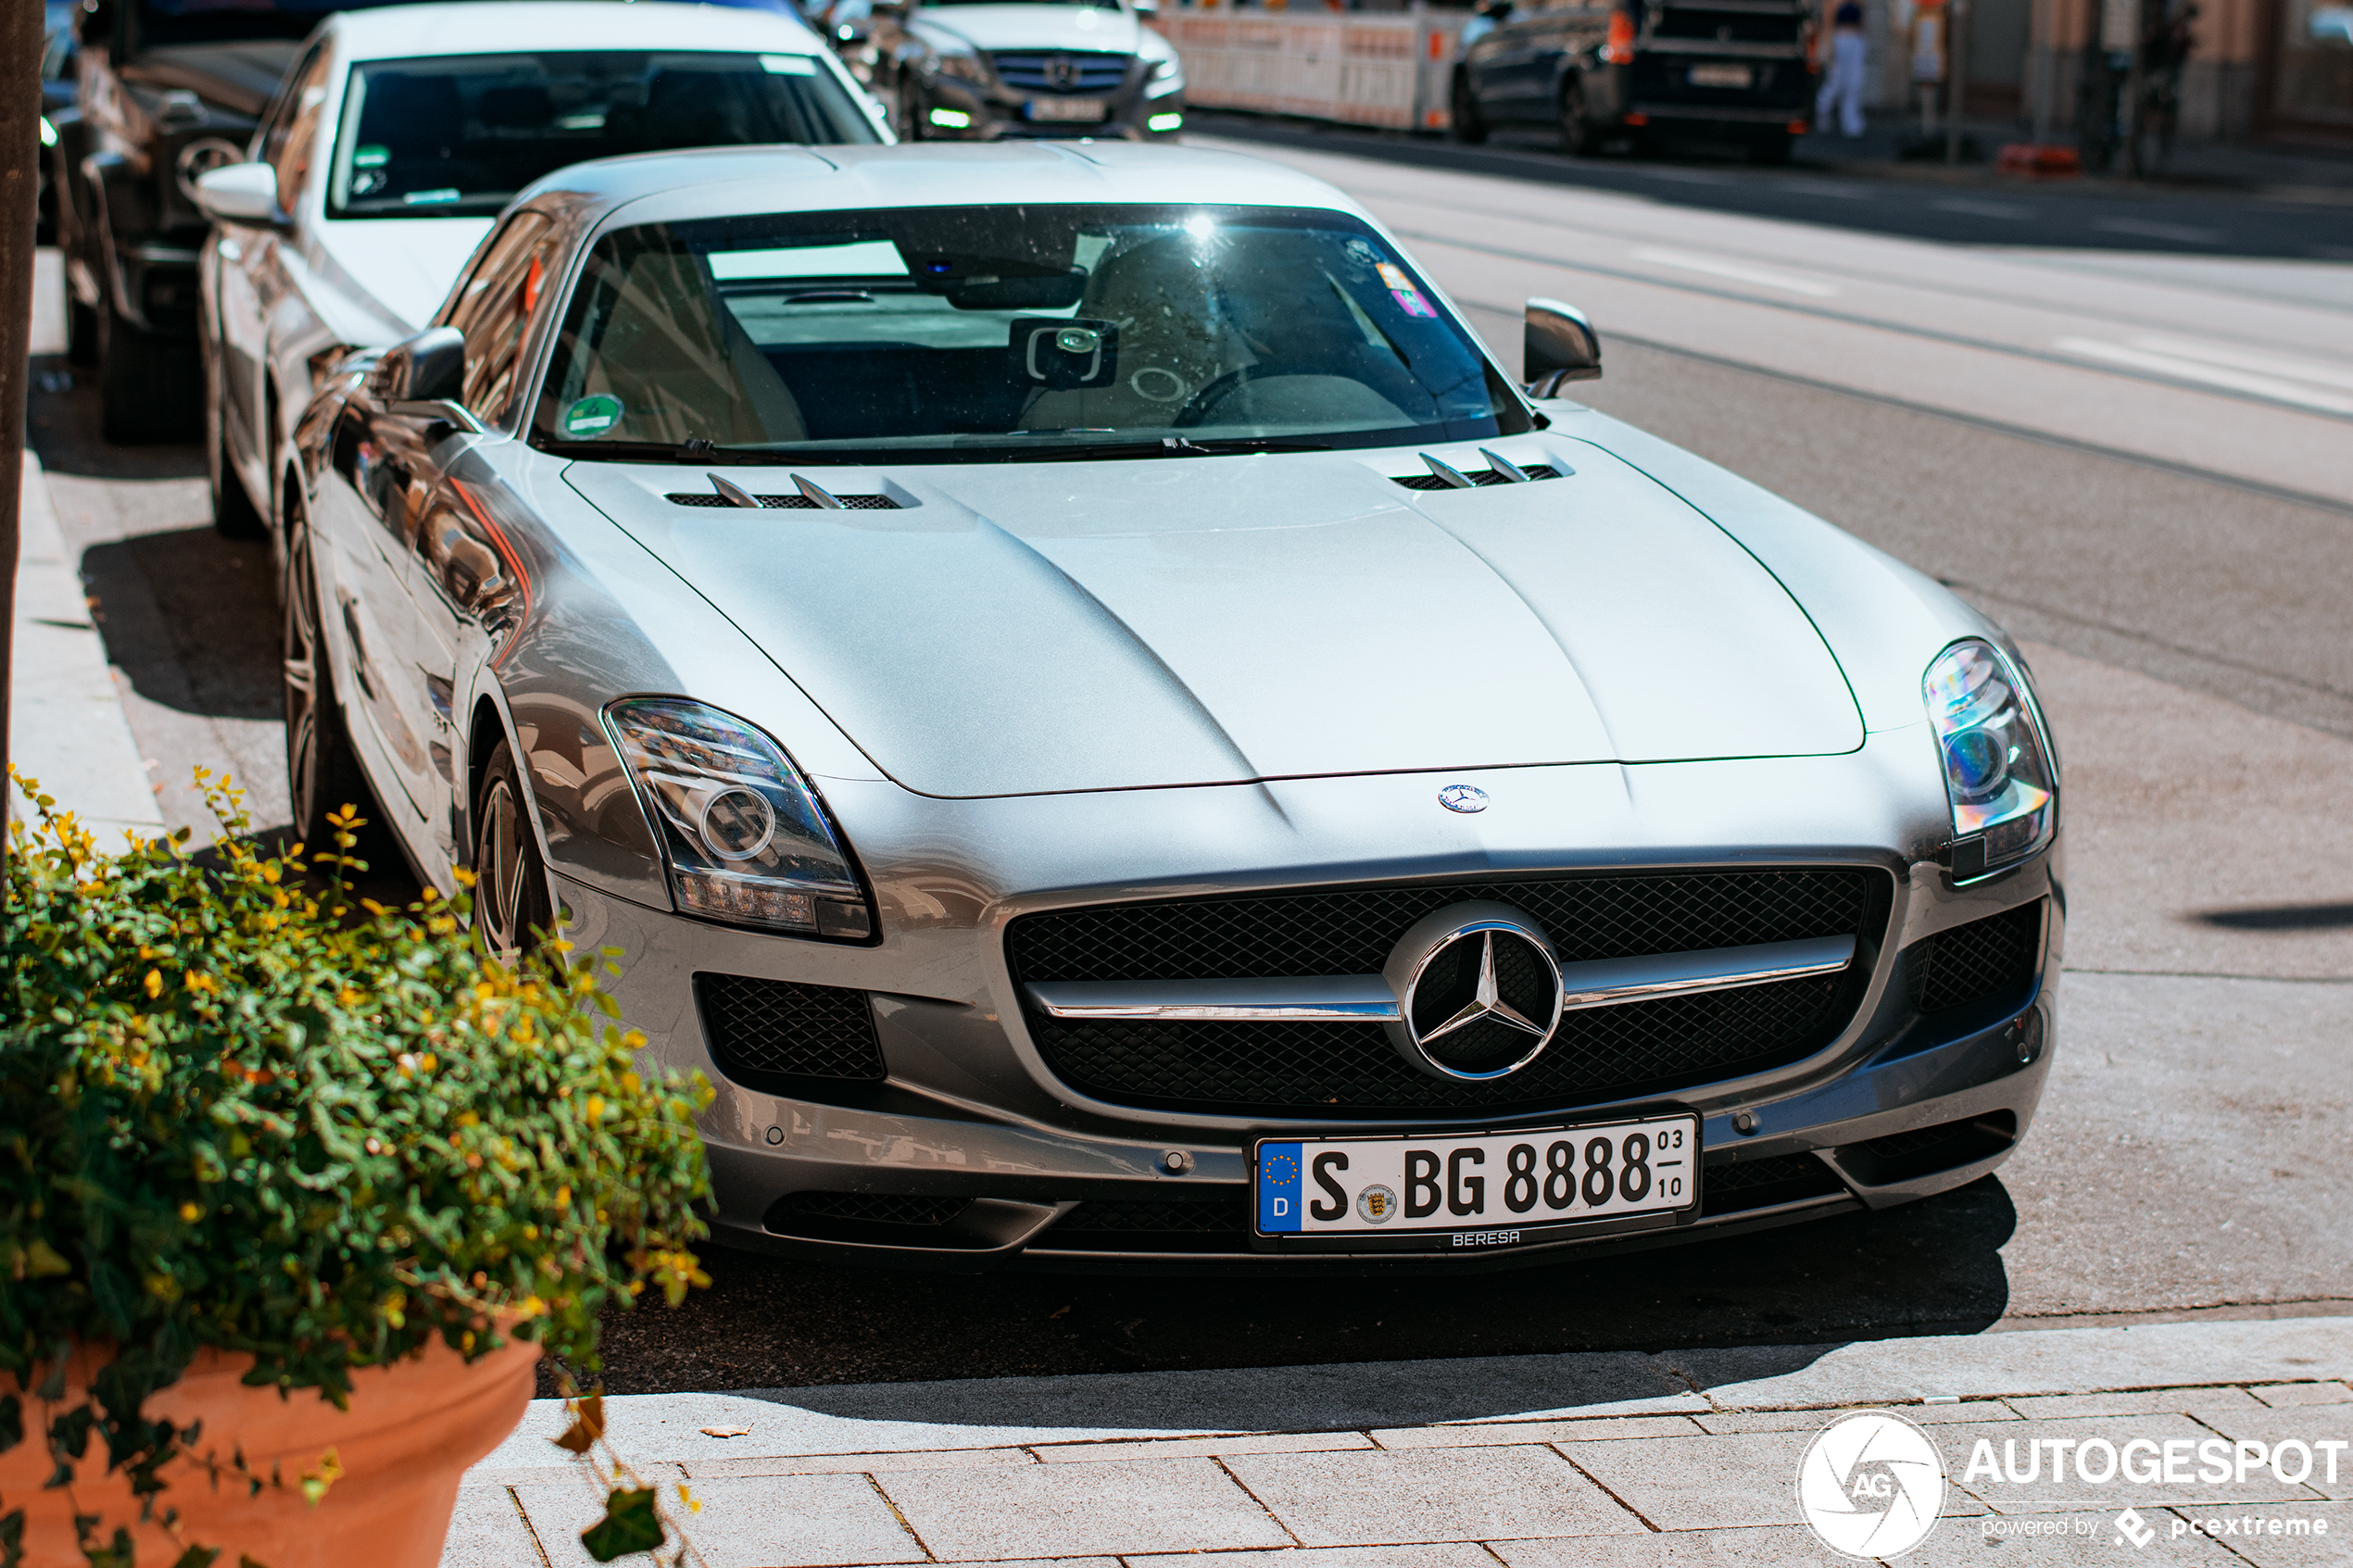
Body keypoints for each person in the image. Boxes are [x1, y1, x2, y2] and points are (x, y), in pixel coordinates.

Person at [1814, 0, 1868, 138]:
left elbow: (1862, 18)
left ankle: (1851, 124)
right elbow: (1828, 21)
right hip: (1840, 40)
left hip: (1855, 40)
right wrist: (1829, 43)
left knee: (1853, 84)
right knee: (1836, 82)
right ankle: (1822, 110)